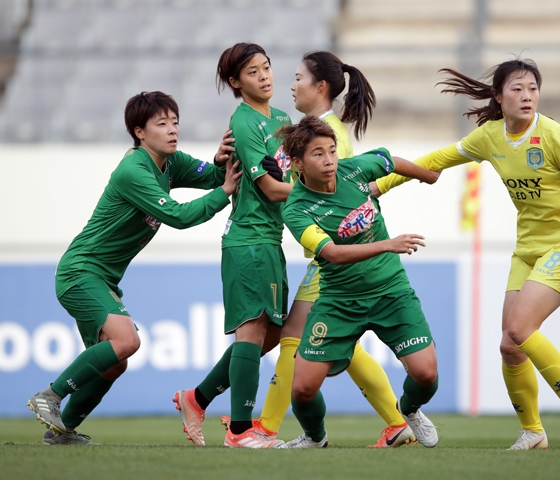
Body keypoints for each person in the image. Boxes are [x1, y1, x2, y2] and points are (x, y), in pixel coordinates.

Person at [375, 58, 560, 450]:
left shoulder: (552, 134)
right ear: (498, 97)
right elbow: (434, 161)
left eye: (532, 88)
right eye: (517, 88)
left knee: (519, 330)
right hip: (527, 248)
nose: (527, 95)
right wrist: (379, 187)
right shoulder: (490, 137)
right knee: (509, 345)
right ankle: (532, 431)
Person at [26, 91, 241, 445]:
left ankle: (61, 431)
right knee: (127, 340)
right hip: (80, 272)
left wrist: (219, 164)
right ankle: (50, 395)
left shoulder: (169, 162)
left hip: (103, 278)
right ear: (139, 132)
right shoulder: (134, 169)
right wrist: (224, 191)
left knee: (115, 362)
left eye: (175, 122)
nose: (172, 130)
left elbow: (209, 176)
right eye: (162, 124)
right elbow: (178, 215)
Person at [231, 50, 419, 448]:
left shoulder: (328, 135)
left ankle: (265, 428)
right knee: (331, 344)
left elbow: (353, 186)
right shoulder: (314, 128)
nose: (289, 83)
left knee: (294, 338)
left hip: (335, 258)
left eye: (297, 77)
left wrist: (422, 174)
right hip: (329, 253)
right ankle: (396, 422)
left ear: (319, 87)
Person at [277, 115, 441, 449]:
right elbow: (333, 254)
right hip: (339, 301)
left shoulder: (353, 170)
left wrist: (426, 176)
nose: (329, 160)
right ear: (297, 163)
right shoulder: (296, 208)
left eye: (332, 151)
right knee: (302, 390)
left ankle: (408, 410)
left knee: (426, 376)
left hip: (390, 291)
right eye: (318, 154)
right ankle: (315, 437)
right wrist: (388, 244)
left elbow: (389, 160)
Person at [173, 43, 293, 449]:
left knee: (271, 334)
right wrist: (323, 195)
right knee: (253, 330)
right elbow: (273, 190)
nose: (264, 76)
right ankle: (240, 431)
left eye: (267, 67)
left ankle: (197, 398)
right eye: (253, 71)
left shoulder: (281, 118)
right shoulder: (243, 122)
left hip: (271, 240)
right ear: (234, 82)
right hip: (249, 239)